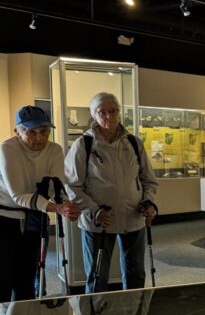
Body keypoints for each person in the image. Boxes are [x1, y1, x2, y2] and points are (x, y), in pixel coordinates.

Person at [64, 92, 158, 293]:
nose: (109, 116)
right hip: (99, 222)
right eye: (102, 112)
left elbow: (148, 179)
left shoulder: (133, 143)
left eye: (113, 111)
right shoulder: (84, 145)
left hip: (133, 218)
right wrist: (94, 210)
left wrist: (149, 202)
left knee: (136, 276)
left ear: (119, 112)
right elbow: (72, 185)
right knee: (97, 276)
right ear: (94, 115)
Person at [0, 105, 81, 302]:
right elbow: (18, 195)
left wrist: (66, 204)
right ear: (17, 132)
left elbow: (55, 187)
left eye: (44, 132)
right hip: (5, 219)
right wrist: (57, 208)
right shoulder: (7, 149)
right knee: (3, 277)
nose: (39, 138)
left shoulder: (55, 150)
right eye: (31, 132)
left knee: (27, 276)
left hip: (34, 217)